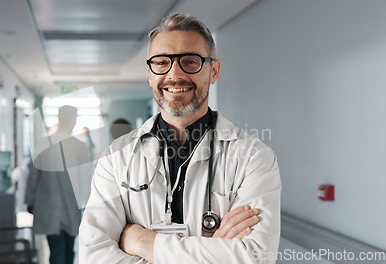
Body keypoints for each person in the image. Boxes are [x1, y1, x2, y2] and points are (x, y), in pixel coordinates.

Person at [79, 13, 281, 263]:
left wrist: (143, 241)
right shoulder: (115, 158)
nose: (175, 75)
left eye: (190, 61)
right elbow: (94, 256)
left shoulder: (254, 158)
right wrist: (215, 252)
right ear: (151, 74)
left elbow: (256, 257)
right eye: (162, 62)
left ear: (214, 71)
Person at [26, 105, 93, 264]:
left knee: (56, 250)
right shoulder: (80, 146)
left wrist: (29, 200)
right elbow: (85, 181)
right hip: (72, 206)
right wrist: (89, 206)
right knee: (69, 250)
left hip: (48, 205)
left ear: (59, 118)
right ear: (73, 121)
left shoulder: (43, 143)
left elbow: (33, 175)